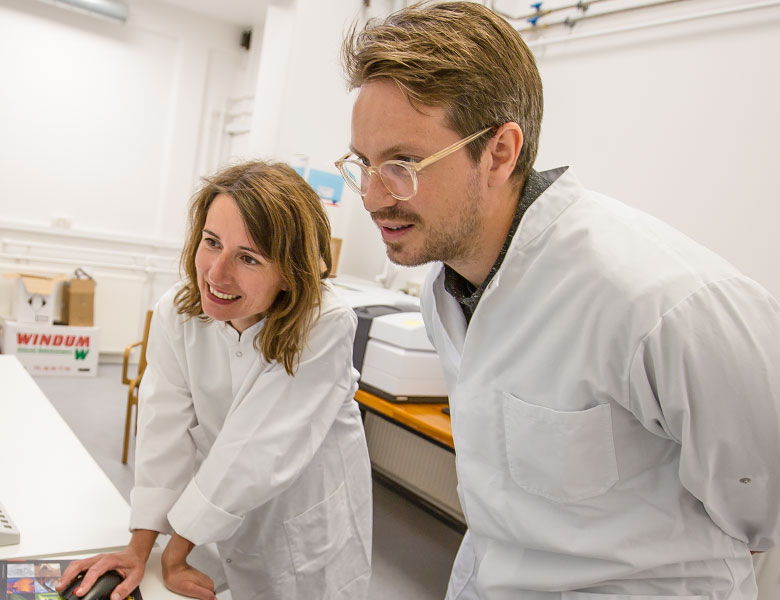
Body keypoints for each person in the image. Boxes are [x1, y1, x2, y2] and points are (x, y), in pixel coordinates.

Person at [338, 2, 780, 598]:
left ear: (499, 152)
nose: (371, 197)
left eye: (403, 164)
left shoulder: (667, 305)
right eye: (364, 164)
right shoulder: (446, 292)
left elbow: (763, 510)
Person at [58, 161, 373, 600]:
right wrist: (138, 548)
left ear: (290, 270)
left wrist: (175, 552)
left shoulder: (325, 324)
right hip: (219, 508)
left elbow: (255, 450)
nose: (216, 274)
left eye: (248, 258)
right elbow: (162, 427)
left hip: (303, 521)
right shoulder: (180, 311)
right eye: (211, 243)